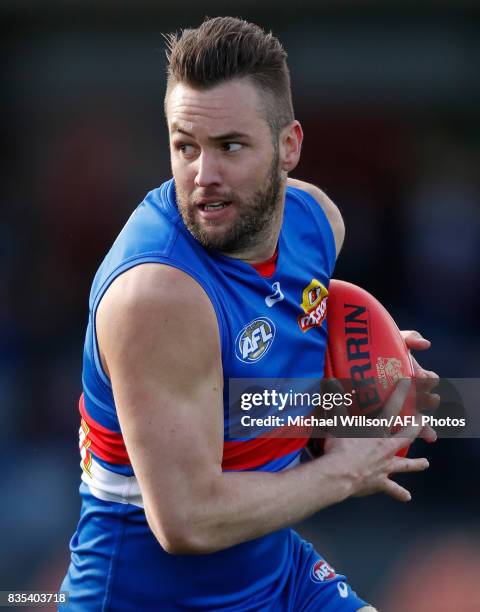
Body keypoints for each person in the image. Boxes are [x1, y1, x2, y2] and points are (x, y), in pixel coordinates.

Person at [60, 16, 437, 611]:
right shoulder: (156, 295)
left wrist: (363, 366)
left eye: (230, 146)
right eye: (185, 146)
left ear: (289, 147)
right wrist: (343, 470)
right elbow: (187, 523)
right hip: (152, 598)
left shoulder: (317, 222)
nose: (203, 177)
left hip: (278, 573)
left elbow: (257, 376)